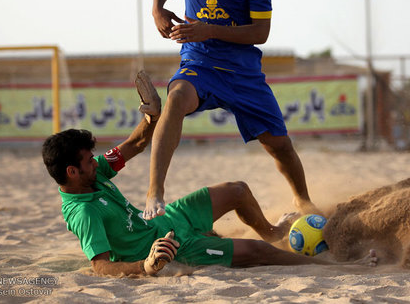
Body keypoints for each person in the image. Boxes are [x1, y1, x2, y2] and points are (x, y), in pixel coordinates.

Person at [42, 75, 328, 277]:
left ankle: (274, 232)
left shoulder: (94, 175)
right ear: (72, 172)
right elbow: (101, 267)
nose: (96, 162)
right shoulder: (83, 213)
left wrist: (151, 118)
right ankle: (333, 266)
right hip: (173, 248)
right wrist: (145, 266)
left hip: (167, 218)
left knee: (238, 190)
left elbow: (135, 145)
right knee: (257, 252)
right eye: (89, 161)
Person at [146, 0, 318, 220]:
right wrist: (157, 9)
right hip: (199, 64)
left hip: (243, 73)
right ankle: (154, 194)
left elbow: (261, 32)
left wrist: (208, 29)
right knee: (176, 98)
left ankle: (304, 202)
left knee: (279, 146)